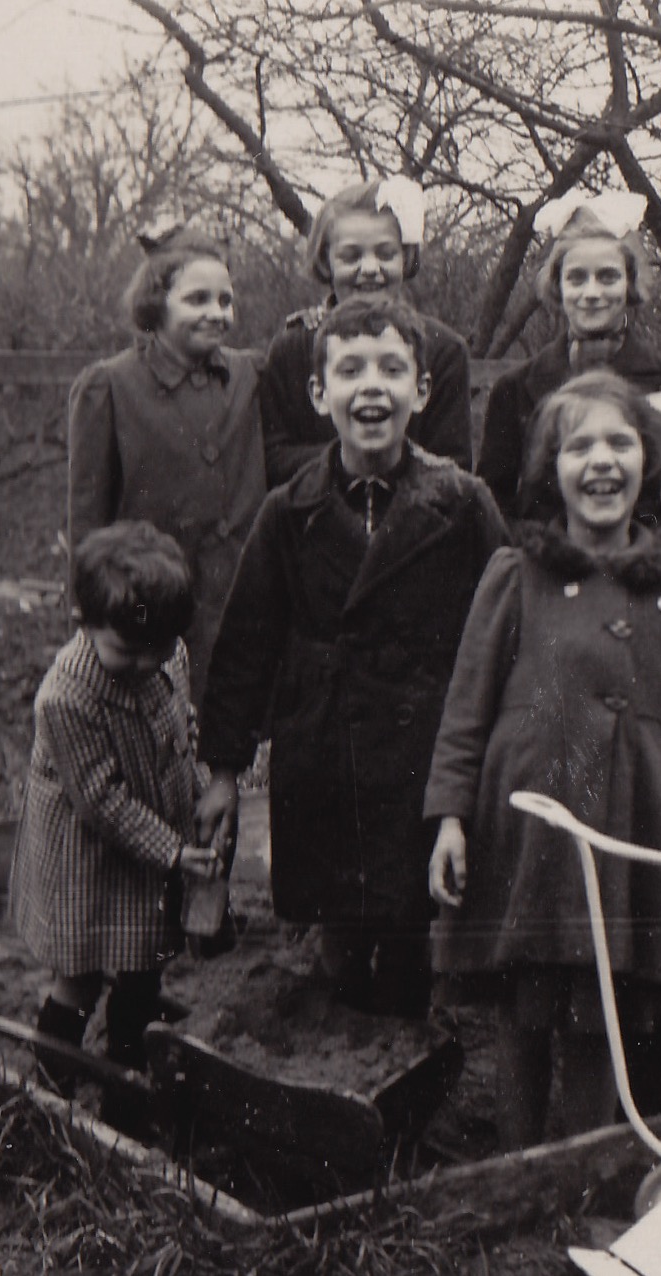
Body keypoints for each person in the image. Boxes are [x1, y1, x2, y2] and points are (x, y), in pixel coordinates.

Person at [425, 369, 661, 1148]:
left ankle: (580, 1166)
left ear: (648, 463)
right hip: (526, 816)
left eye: (619, 442)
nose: (601, 461)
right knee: (523, 1005)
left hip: (629, 823)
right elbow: (466, 704)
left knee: (600, 1008)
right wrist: (450, 817)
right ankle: (515, 1165)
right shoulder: (514, 575)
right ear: (550, 469)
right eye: (577, 445)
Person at [197, 295, 508, 1019]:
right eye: (350, 370)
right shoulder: (288, 509)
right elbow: (246, 644)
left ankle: (396, 1071)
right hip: (322, 749)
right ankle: (334, 1055)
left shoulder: (464, 505)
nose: (372, 386)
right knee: (336, 931)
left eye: (392, 369)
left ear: (422, 392)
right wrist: (221, 769)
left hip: (421, 751)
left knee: (409, 932)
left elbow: (503, 631)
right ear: (318, 393)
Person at [7, 522, 224, 1127]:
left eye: (156, 651)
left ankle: (127, 1096)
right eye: (126, 652)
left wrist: (200, 789)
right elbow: (101, 804)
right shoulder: (67, 698)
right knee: (78, 975)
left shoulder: (165, 656)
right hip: (88, 852)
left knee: (142, 963)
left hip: (154, 842)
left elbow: (181, 733)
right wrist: (176, 852)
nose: (142, 666)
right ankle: (49, 1094)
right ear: (83, 619)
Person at [67, 226, 266, 706]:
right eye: (197, 299)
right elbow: (86, 516)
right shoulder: (109, 385)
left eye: (225, 300)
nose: (216, 313)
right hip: (148, 599)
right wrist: (88, 605)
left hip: (235, 591)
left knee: (229, 720)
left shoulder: (250, 373)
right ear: (157, 302)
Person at [476, 191, 661, 527]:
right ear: (558, 285)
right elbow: (494, 506)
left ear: (630, 283)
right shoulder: (514, 389)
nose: (592, 293)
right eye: (577, 278)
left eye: (608, 277)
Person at [257, 176, 472, 486]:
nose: (370, 268)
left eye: (386, 254)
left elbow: (455, 464)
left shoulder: (443, 349)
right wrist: (353, 462)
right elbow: (274, 458)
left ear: (406, 258)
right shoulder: (293, 348)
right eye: (351, 256)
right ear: (326, 260)